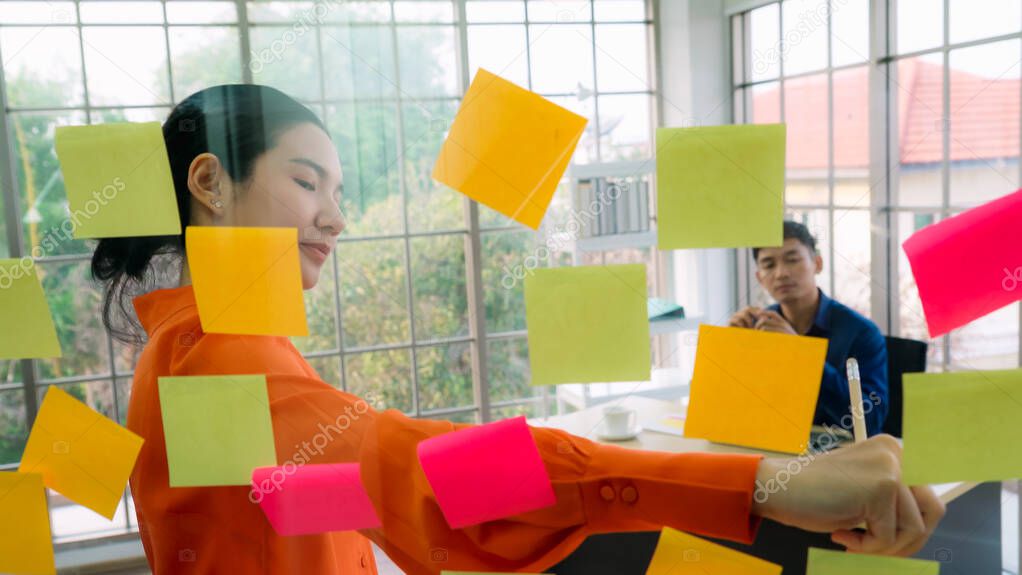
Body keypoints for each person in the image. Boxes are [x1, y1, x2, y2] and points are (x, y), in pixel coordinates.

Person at [92, 85, 942, 574]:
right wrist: (763, 483)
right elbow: (432, 477)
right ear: (210, 180)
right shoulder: (214, 359)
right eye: (308, 181)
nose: (336, 218)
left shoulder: (204, 348)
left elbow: (358, 495)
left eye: (341, 192)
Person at [730, 221, 889, 436]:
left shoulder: (862, 333)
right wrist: (731, 349)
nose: (781, 273)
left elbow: (870, 421)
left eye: (792, 260)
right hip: (774, 445)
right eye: (768, 265)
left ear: (817, 263)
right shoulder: (759, 328)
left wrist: (800, 354)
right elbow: (739, 411)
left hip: (838, 453)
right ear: (760, 278)